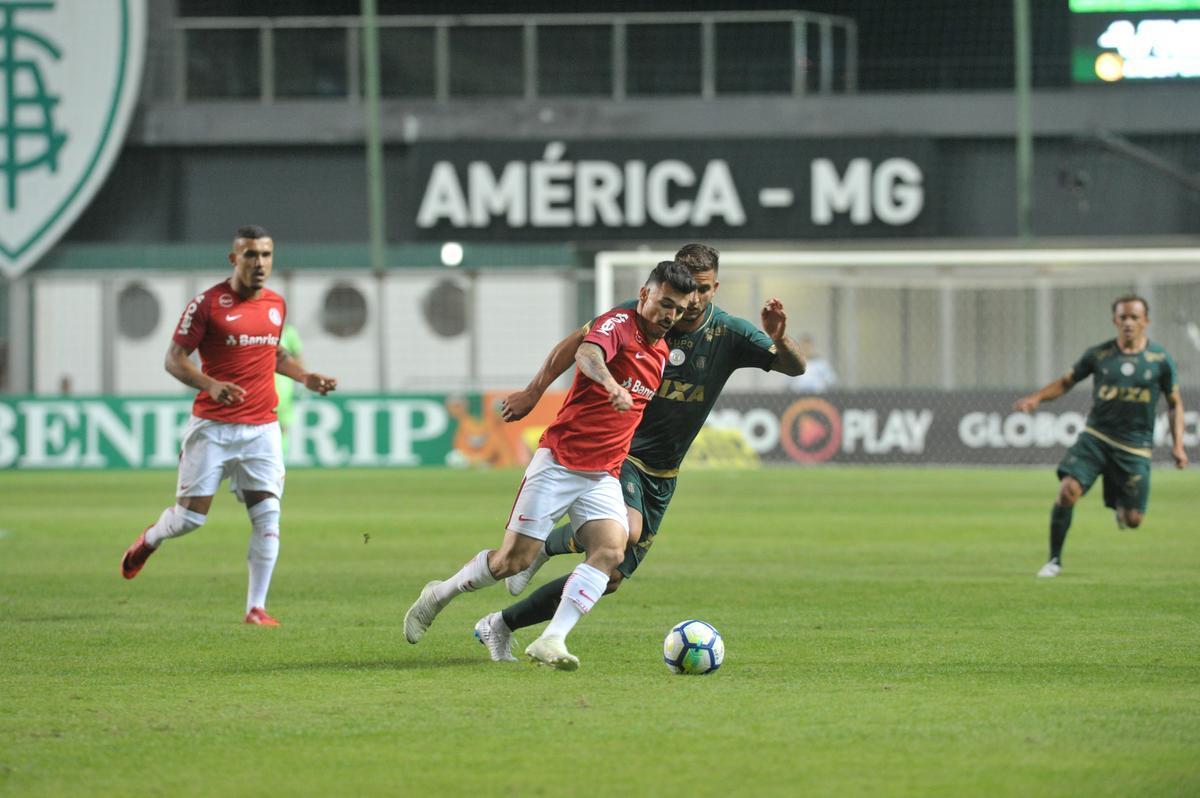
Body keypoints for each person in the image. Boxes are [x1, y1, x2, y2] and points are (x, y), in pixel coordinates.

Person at [473, 243, 806, 662]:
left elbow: (795, 367)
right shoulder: (636, 315)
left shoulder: (729, 333)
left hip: (664, 472)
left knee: (610, 577)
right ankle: (545, 570)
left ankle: (502, 621)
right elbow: (576, 346)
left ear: (714, 288)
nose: (692, 300)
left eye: (702, 290)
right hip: (621, 454)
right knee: (625, 532)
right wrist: (533, 391)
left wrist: (779, 337)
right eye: (686, 289)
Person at [402, 260, 698, 670]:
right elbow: (586, 352)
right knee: (511, 563)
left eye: (679, 310)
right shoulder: (618, 324)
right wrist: (608, 383)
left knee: (611, 551)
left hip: (603, 475)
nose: (671, 316)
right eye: (665, 304)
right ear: (645, 294)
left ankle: (552, 638)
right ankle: (439, 594)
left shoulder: (662, 352)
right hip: (560, 463)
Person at [120, 226, 338, 624]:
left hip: (263, 429)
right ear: (234, 259)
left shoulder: (276, 304)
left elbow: (274, 352)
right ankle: (150, 539)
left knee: (268, 517)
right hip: (213, 428)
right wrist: (210, 384)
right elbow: (173, 359)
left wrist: (305, 376)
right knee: (189, 520)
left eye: (266, 255)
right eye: (251, 255)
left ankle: (256, 607)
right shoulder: (206, 305)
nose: (260, 263)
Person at [1013, 295, 1187, 578]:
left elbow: (1175, 404)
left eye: (1134, 317)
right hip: (1096, 438)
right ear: (1114, 320)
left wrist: (1178, 445)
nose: (1128, 322)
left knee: (1133, 520)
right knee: (1068, 491)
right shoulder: (1099, 355)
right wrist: (1036, 398)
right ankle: (1054, 560)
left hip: (1134, 447)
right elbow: (1066, 381)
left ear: (1145, 321)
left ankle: (1119, 504)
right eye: (1123, 317)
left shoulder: (1160, 360)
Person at [275, 323, 304, 456]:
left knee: (282, 425)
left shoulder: (289, 332)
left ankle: (280, 457)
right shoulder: (258, 329)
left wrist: (303, 378)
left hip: (284, 384)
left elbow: (297, 358)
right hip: (265, 383)